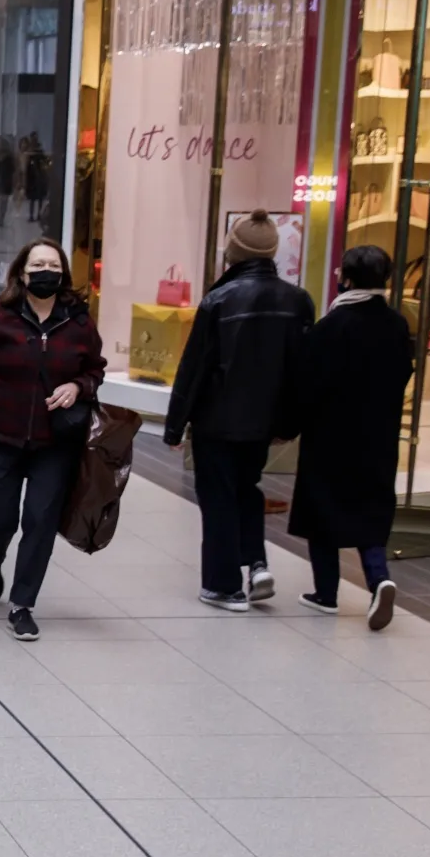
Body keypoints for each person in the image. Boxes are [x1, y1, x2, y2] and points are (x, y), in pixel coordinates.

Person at [0, 240, 105, 642]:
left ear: (63, 273)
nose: (46, 270)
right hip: (0, 435)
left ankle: (22, 604)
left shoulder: (79, 322)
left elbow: (95, 370)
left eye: (54, 264)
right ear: (22, 272)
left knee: (40, 520)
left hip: (56, 441)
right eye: (38, 264)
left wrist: (77, 385)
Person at [164, 209, 317, 611]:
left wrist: (175, 426)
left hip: (217, 420)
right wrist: (290, 422)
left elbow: (194, 368)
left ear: (233, 252)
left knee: (218, 498)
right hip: (264, 423)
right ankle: (258, 564)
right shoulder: (299, 301)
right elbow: (300, 370)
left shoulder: (218, 300)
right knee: (247, 489)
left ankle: (224, 585)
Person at [291, 244, 407, 628]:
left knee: (323, 510)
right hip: (378, 436)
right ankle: (379, 578)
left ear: (347, 278)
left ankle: (326, 593)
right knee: (369, 511)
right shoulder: (396, 324)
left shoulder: (332, 326)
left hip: (331, 437)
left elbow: (308, 383)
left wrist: (288, 427)